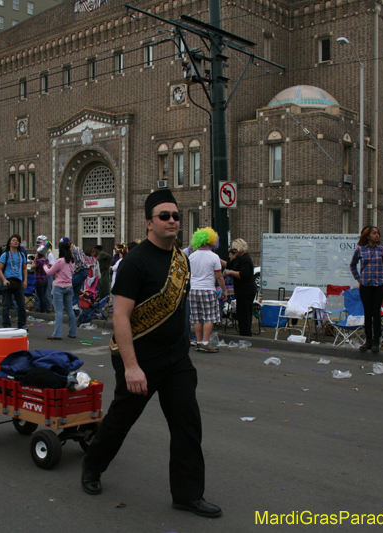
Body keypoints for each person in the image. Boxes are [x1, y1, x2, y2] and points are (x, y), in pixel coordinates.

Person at [82, 189, 221, 519]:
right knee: (121, 420)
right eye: (165, 216)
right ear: (149, 223)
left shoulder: (181, 260)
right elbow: (120, 316)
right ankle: (92, 465)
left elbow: (179, 307)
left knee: (187, 424)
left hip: (177, 359)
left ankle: (187, 494)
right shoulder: (133, 263)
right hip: (140, 358)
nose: (172, 221)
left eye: (176, 216)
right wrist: (131, 367)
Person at [350, 226, 383, 353]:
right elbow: (352, 264)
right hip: (366, 285)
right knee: (367, 313)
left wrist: (382, 275)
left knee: (376, 313)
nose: (377, 235)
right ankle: (368, 341)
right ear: (368, 236)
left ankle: (376, 341)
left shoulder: (382, 250)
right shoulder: (360, 250)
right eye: (374, 233)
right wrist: (358, 279)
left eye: (378, 233)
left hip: (378, 285)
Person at [188, 228, 227, 352]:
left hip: (193, 289)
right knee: (209, 317)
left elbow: (187, 275)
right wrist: (224, 290)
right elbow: (219, 276)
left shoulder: (192, 256)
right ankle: (205, 343)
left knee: (197, 318)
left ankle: (198, 342)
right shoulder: (214, 257)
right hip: (207, 290)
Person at [44, 239, 77, 340]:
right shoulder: (71, 260)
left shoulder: (60, 260)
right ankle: (72, 332)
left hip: (59, 287)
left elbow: (49, 272)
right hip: (69, 286)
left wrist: (45, 266)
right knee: (69, 310)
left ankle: (57, 334)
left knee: (58, 311)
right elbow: (71, 271)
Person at [224, 239, 255, 337]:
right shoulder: (238, 258)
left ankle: (246, 333)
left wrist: (230, 272)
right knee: (242, 312)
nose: (234, 251)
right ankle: (244, 332)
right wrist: (216, 259)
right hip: (241, 290)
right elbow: (228, 264)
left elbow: (243, 274)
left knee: (244, 312)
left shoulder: (245, 259)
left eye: (235, 249)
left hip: (246, 290)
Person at [0, 234, 28, 329]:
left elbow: (24, 268)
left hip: (18, 282)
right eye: (14, 240)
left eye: (17, 240)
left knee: (21, 305)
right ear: (9, 242)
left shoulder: (21, 255)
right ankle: (6, 325)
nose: (16, 242)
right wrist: (4, 280)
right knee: (6, 305)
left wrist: (25, 280)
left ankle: (22, 324)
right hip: (8, 281)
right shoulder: (5, 255)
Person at [34, 248, 52, 314]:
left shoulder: (39, 262)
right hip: (45, 279)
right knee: (44, 295)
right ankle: (46, 308)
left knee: (40, 296)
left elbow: (33, 267)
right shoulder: (46, 260)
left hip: (39, 280)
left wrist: (35, 259)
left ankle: (42, 310)